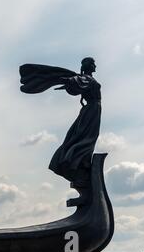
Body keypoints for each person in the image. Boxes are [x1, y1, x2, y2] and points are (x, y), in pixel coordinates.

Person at [19, 58, 101, 206]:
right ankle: (80, 175)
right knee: (84, 141)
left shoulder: (88, 78)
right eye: (93, 63)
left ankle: (83, 177)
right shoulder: (86, 78)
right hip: (91, 111)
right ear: (89, 66)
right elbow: (77, 82)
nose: (95, 65)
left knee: (85, 140)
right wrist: (68, 81)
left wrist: (70, 81)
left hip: (92, 111)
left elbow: (77, 82)